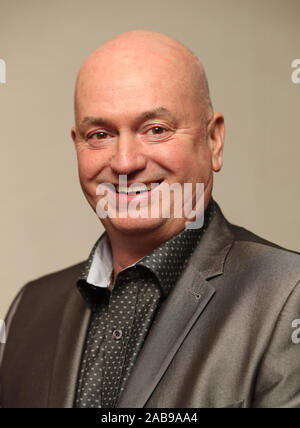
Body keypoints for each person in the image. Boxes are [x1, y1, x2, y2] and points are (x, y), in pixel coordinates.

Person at [0, 30, 299, 409]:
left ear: (214, 141)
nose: (125, 162)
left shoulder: (289, 297)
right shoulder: (30, 308)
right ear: (77, 142)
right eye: (101, 134)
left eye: (156, 129)